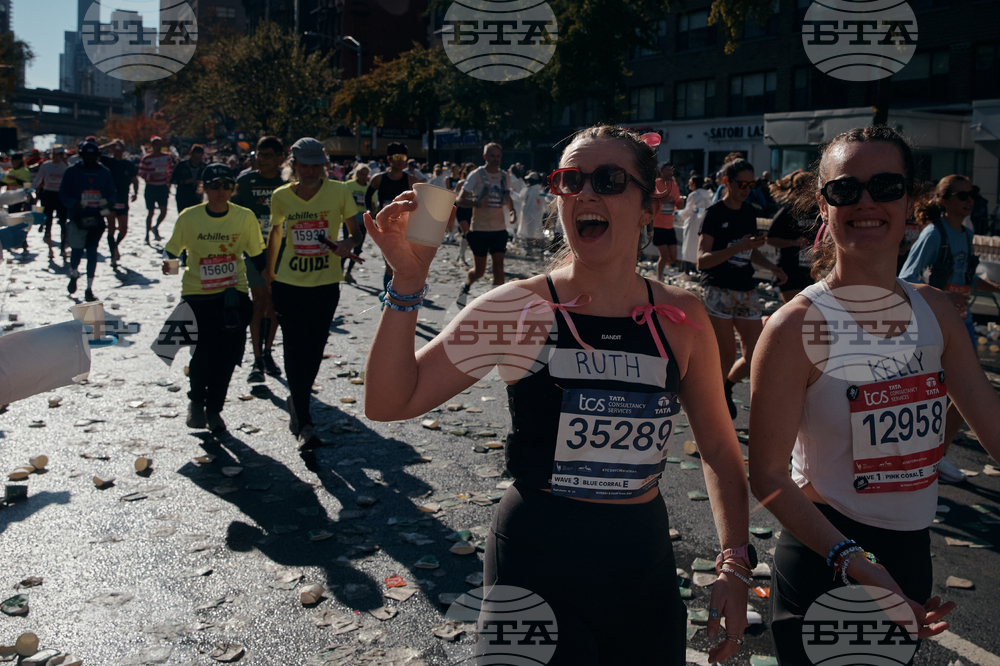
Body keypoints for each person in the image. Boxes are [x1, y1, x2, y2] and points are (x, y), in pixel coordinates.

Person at [364, 124, 751, 665]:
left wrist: (734, 563)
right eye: (571, 180)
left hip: (642, 565)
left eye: (609, 179)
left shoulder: (681, 316)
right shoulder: (514, 310)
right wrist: (405, 285)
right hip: (536, 561)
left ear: (647, 206)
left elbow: (718, 448)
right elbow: (389, 401)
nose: (587, 193)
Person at [748, 126, 1000, 665]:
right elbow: (766, 475)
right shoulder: (796, 326)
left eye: (886, 187)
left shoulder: (938, 314)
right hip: (827, 554)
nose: (867, 202)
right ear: (824, 205)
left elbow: (994, 427)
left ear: (910, 202)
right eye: (846, 190)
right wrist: (854, 561)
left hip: (909, 554)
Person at [898, 174, 1000, 484]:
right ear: (944, 201)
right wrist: (942, 296)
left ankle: (936, 453)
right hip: (935, 325)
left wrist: (993, 286)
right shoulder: (933, 234)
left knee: (961, 396)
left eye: (973, 194)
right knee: (927, 395)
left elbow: (965, 277)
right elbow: (907, 277)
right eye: (961, 195)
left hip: (963, 322)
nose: (969, 200)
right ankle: (915, 455)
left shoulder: (966, 235)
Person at [265, 138, 363, 451]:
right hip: (289, 284)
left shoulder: (340, 191)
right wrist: (268, 276)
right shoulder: (280, 196)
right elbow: (276, 235)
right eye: (304, 165)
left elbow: (355, 230)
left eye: (315, 165)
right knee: (295, 347)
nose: (310, 170)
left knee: (314, 348)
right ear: (293, 166)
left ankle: (298, 397)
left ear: (324, 165)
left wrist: (348, 243)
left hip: (325, 284)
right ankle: (305, 422)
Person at [162, 163, 265, 433]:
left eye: (227, 185)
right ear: (204, 188)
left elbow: (258, 256)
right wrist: (169, 264)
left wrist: (277, 283)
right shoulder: (189, 217)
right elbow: (172, 251)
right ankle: (196, 401)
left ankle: (215, 409)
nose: (221, 191)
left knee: (229, 355)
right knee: (205, 352)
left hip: (234, 293)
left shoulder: (244, 217)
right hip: (198, 294)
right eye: (215, 185)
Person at [698, 158, 786, 419]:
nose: (747, 189)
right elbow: (702, 259)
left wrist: (773, 268)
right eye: (742, 183)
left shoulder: (750, 212)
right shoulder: (714, 213)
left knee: (757, 354)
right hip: (718, 288)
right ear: (727, 182)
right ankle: (711, 410)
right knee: (725, 356)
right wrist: (737, 247)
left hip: (745, 288)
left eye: (752, 183)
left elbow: (752, 253)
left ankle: (726, 387)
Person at [231, 136, 287, 383]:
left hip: (283, 253)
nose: (260, 159)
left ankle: (267, 351)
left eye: (267, 155)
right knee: (258, 303)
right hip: (253, 253)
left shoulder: (287, 182)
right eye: (258, 154)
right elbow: (232, 214)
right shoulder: (244, 181)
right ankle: (256, 359)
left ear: (279, 158)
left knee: (275, 305)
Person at [58, 141, 116, 302]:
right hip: (77, 217)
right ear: (81, 156)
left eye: (93, 156)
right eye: (87, 155)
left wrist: (109, 203)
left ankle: (89, 287)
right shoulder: (71, 172)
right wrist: (74, 204)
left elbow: (112, 192)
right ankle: (74, 273)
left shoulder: (104, 172)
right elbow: (63, 193)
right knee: (76, 251)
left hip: (97, 217)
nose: (90, 159)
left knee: (92, 252)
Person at [457, 142, 518, 295]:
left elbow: (507, 196)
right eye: (492, 156)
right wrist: (476, 202)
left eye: (498, 156)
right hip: (479, 229)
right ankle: (466, 285)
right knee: (480, 271)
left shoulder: (505, 176)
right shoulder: (475, 175)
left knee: (499, 269)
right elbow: (459, 200)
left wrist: (512, 211)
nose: (495, 159)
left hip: (499, 229)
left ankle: (495, 304)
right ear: (485, 156)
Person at [365, 143, 421, 293]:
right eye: (396, 157)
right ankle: (389, 297)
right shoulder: (378, 179)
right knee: (390, 263)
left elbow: (420, 202)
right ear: (389, 159)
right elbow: (367, 195)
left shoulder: (411, 181)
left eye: (403, 158)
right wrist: (369, 209)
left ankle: (399, 291)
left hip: (405, 226)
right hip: (386, 226)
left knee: (404, 261)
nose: (400, 161)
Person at [765, 171, 819, 303]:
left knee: (809, 312)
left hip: (809, 269)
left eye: (814, 186)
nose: (812, 190)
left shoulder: (816, 211)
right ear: (799, 190)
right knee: (794, 309)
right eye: (809, 187)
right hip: (789, 268)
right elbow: (770, 239)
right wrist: (794, 242)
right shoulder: (787, 212)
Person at [99, 140, 140, 269]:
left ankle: (115, 245)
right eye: (115, 148)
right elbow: (93, 153)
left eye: (120, 148)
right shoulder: (106, 162)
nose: (117, 150)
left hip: (123, 198)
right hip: (107, 198)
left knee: (124, 229)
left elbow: (135, 179)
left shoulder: (128, 164)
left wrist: (135, 192)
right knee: (111, 226)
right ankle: (113, 254)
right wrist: (106, 145)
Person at [32, 145, 69, 261]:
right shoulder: (46, 165)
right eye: (57, 154)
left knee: (63, 222)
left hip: (61, 195)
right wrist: (30, 190)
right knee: (48, 222)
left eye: (61, 154)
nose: (59, 157)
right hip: (48, 194)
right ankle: (50, 249)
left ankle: (63, 248)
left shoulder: (66, 167)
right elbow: (38, 179)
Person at [341, 163, 376, 284]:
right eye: (361, 173)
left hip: (363, 219)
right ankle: (340, 269)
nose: (363, 176)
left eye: (366, 174)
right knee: (347, 244)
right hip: (349, 218)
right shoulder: (348, 185)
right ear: (356, 174)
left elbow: (373, 204)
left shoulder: (370, 188)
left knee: (358, 247)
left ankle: (349, 271)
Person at [652, 163, 686, 280]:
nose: (669, 173)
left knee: (673, 256)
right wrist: (661, 200)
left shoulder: (674, 186)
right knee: (664, 255)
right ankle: (660, 277)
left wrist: (680, 204)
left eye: (671, 170)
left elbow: (677, 203)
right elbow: (648, 200)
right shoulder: (656, 184)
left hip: (669, 226)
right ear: (661, 171)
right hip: (658, 225)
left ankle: (659, 266)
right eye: (666, 170)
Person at [138, 136, 173, 243]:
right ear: (152, 146)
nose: (157, 147)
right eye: (155, 145)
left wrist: (168, 181)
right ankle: (147, 234)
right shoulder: (147, 158)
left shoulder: (167, 157)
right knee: (151, 212)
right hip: (151, 187)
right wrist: (150, 177)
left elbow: (170, 170)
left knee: (163, 211)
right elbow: (141, 173)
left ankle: (156, 226)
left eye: (159, 145)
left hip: (162, 187)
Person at [677, 174, 711, 269]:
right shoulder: (708, 193)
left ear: (695, 184)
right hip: (705, 223)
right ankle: (698, 268)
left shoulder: (694, 195)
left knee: (689, 247)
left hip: (693, 223)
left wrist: (679, 213)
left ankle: (686, 271)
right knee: (700, 246)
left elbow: (688, 211)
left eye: (691, 183)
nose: (689, 185)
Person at [171, 144, 207, 214]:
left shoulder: (204, 167)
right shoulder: (182, 165)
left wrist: (202, 184)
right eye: (195, 158)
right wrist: (186, 181)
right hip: (183, 196)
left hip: (197, 197)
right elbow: (173, 179)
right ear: (190, 154)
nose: (197, 160)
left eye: (199, 158)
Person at [454, 163, 475, 265]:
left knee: (468, 234)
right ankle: (462, 257)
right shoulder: (461, 183)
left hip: (472, 210)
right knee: (466, 233)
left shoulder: (477, 184)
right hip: (461, 210)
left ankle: (461, 255)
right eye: (471, 171)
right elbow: (455, 197)